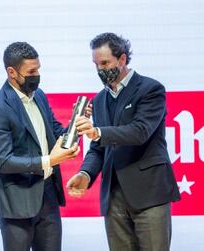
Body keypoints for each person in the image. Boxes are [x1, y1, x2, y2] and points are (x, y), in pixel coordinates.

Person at [67, 32, 180, 251]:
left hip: (149, 195)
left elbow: (139, 132)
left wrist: (97, 131)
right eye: (96, 64)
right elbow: (98, 148)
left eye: (105, 63)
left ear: (122, 59)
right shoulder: (99, 99)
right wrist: (85, 174)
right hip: (114, 197)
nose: (100, 69)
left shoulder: (151, 89)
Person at [0, 42, 82, 251]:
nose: (37, 75)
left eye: (38, 69)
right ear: (12, 72)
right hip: (17, 203)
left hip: (48, 196)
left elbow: (57, 134)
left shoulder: (40, 97)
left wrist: (76, 124)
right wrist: (50, 160)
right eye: (31, 71)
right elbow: (5, 161)